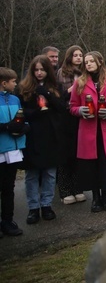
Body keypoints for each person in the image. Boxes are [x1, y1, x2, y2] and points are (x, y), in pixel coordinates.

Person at [69, 51, 106, 213]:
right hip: (89, 130)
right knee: (91, 165)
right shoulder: (80, 82)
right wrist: (80, 110)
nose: (88, 64)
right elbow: (72, 106)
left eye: (91, 61)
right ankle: (95, 198)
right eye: (86, 62)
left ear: (100, 62)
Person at [19, 55, 63, 224]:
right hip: (33, 135)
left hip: (51, 135)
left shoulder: (55, 87)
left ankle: (46, 204)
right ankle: (33, 207)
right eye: (36, 70)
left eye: (42, 70)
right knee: (32, 174)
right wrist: (37, 112)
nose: (39, 73)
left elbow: (61, 108)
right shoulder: (25, 87)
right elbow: (23, 112)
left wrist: (49, 96)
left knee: (50, 173)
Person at [55, 45, 86, 204]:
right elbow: (58, 96)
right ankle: (65, 190)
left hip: (81, 115)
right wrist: (74, 89)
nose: (79, 58)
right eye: (75, 55)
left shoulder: (84, 73)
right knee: (65, 154)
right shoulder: (61, 73)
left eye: (81, 55)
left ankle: (78, 187)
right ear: (69, 57)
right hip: (66, 116)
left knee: (78, 153)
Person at [0, 67, 26, 236]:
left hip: (13, 149)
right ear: (4, 83)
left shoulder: (16, 99)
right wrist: (7, 127)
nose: (15, 84)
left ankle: (7, 221)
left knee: (8, 187)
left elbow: (21, 117)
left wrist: (24, 127)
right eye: (13, 81)